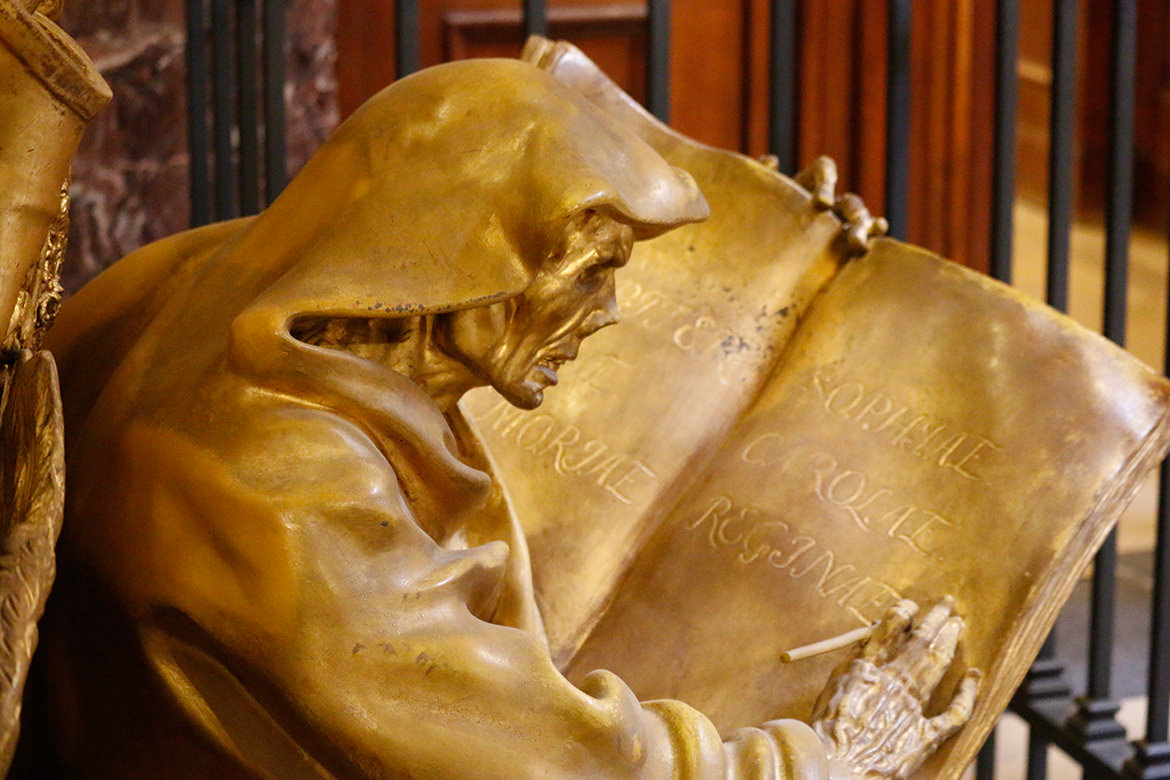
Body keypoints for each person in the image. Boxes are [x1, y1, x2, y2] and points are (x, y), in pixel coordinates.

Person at [28, 59, 974, 779]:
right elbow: (556, 766)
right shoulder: (277, 488)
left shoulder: (203, 277)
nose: (606, 314)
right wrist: (823, 763)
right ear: (455, 256)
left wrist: (765, 245)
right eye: (594, 268)